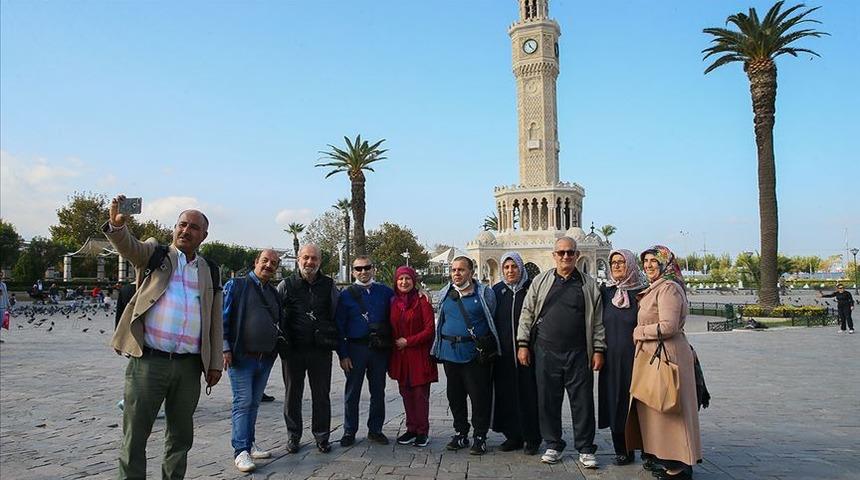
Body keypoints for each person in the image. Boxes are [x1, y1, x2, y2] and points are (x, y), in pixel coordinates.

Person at [104, 194, 223, 480]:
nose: (186, 230)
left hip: (188, 366)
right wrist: (118, 225)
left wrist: (215, 362)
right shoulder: (156, 254)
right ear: (174, 228)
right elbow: (128, 247)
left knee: (180, 438)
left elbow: (215, 321)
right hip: (149, 362)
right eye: (182, 224)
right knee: (135, 437)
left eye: (194, 227)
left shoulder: (210, 270)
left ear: (204, 235)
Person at [515, 236, 605, 469]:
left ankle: (585, 448)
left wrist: (598, 349)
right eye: (561, 252)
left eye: (570, 253)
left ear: (577, 255)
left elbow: (597, 321)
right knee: (547, 401)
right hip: (546, 351)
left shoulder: (588, 284)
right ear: (554, 255)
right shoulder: (541, 281)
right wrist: (523, 344)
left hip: (578, 353)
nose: (566, 256)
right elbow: (527, 312)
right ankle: (553, 444)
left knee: (583, 402)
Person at [625, 245, 702, 480]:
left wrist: (639, 332)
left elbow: (669, 326)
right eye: (645, 261)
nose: (648, 265)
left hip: (666, 357)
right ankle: (672, 462)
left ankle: (678, 467)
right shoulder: (658, 287)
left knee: (670, 411)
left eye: (653, 261)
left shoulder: (668, 289)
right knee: (661, 411)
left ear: (665, 263)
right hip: (657, 356)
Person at [431, 256, 500, 455]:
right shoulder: (446, 293)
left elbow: (492, 319)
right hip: (450, 354)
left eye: (461, 270)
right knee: (455, 396)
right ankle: (460, 432)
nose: (457, 273)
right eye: (453, 270)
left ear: (471, 272)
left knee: (479, 397)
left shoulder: (485, 294)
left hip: (474, 355)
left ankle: (480, 436)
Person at [223, 249, 283, 472]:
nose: (269, 265)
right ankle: (240, 451)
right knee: (243, 402)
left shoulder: (273, 292)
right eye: (265, 261)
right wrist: (224, 347)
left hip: (264, 358)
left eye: (273, 263)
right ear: (256, 262)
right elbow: (223, 317)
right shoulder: (236, 286)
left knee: (254, 403)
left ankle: (248, 443)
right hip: (241, 356)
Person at [277, 243, 339, 454]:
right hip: (293, 350)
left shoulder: (329, 285)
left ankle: (322, 436)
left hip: (320, 351)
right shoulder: (286, 285)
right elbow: (276, 314)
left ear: (320, 261)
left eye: (314, 258)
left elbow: (336, 312)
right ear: (298, 259)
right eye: (306, 258)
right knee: (292, 394)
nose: (309, 262)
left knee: (321, 395)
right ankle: (293, 435)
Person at [334, 256, 394, 447]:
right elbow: (339, 326)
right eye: (358, 269)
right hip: (355, 349)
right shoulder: (345, 295)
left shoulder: (384, 292)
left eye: (367, 267)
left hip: (378, 350)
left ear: (373, 269)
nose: (363, 272)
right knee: (353, 392)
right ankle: (349, 430)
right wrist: (343, 354)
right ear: (353, 272)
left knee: (378, 391)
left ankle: (375, 430)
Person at [597, 249, 646, 466]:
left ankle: (648, 449)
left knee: (639, 405)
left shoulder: (642, 292)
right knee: (616, 402)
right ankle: (622, 449)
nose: (617, 266)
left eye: (621, 262)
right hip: (612, 361)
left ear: (631, 265)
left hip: (637, 360)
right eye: (613, 262)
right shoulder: (605, 292)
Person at [491, 252, 541, 455]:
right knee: (507, 395)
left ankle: (533, 438)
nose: (510, 271)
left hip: (528, 354)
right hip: (504, 356)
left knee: (529, 395)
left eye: (514, 267)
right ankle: (513, 436)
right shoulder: (497, 291)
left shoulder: (531, 290)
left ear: (522, 269)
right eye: (506, 267)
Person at [388, 265, 437, 447]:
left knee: (419, 394)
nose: (404, 282)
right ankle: (411, 429)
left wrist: (408, 341)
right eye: (400, 279)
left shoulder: (422, 301)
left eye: (408, 278)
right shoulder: (393, 302)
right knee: (406, 393)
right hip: (401, 358)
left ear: (413, 281)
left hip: (419, 356)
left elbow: (429, 330)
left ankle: (422, 431)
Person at [0, 271, 9, 343]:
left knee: (1, 323)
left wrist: (8, 304)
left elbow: (6, 295)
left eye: (1, 275)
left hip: (3, 306)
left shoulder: (4, 285)